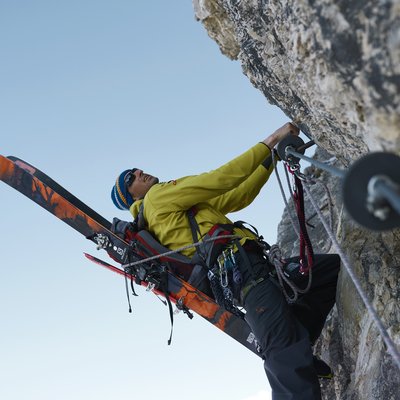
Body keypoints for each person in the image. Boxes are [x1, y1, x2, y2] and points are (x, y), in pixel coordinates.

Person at [110, 122, 340, 400]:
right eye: (130, 178)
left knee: (327, 271)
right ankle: (293, 347)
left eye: (134, 170)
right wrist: (271, 140)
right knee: (282, 349)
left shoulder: (175, 212)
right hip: (244, 272)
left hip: (248, 270)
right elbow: (221, 178)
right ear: (132, 196)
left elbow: (237, 195)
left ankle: (297, 335)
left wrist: (272, 159)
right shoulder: (158, 198)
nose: (138, 172)